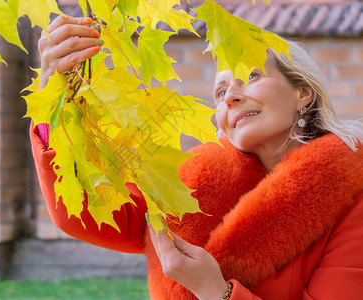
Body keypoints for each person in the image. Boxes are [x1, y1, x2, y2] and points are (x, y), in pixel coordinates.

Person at [31, 15, 363, 299]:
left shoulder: (352, 196)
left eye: (251, 76)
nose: (231, 96)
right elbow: (83, 209)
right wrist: (52, 95)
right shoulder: (195, 177)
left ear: (302, 92)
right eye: (220, 92)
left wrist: (216, 291)